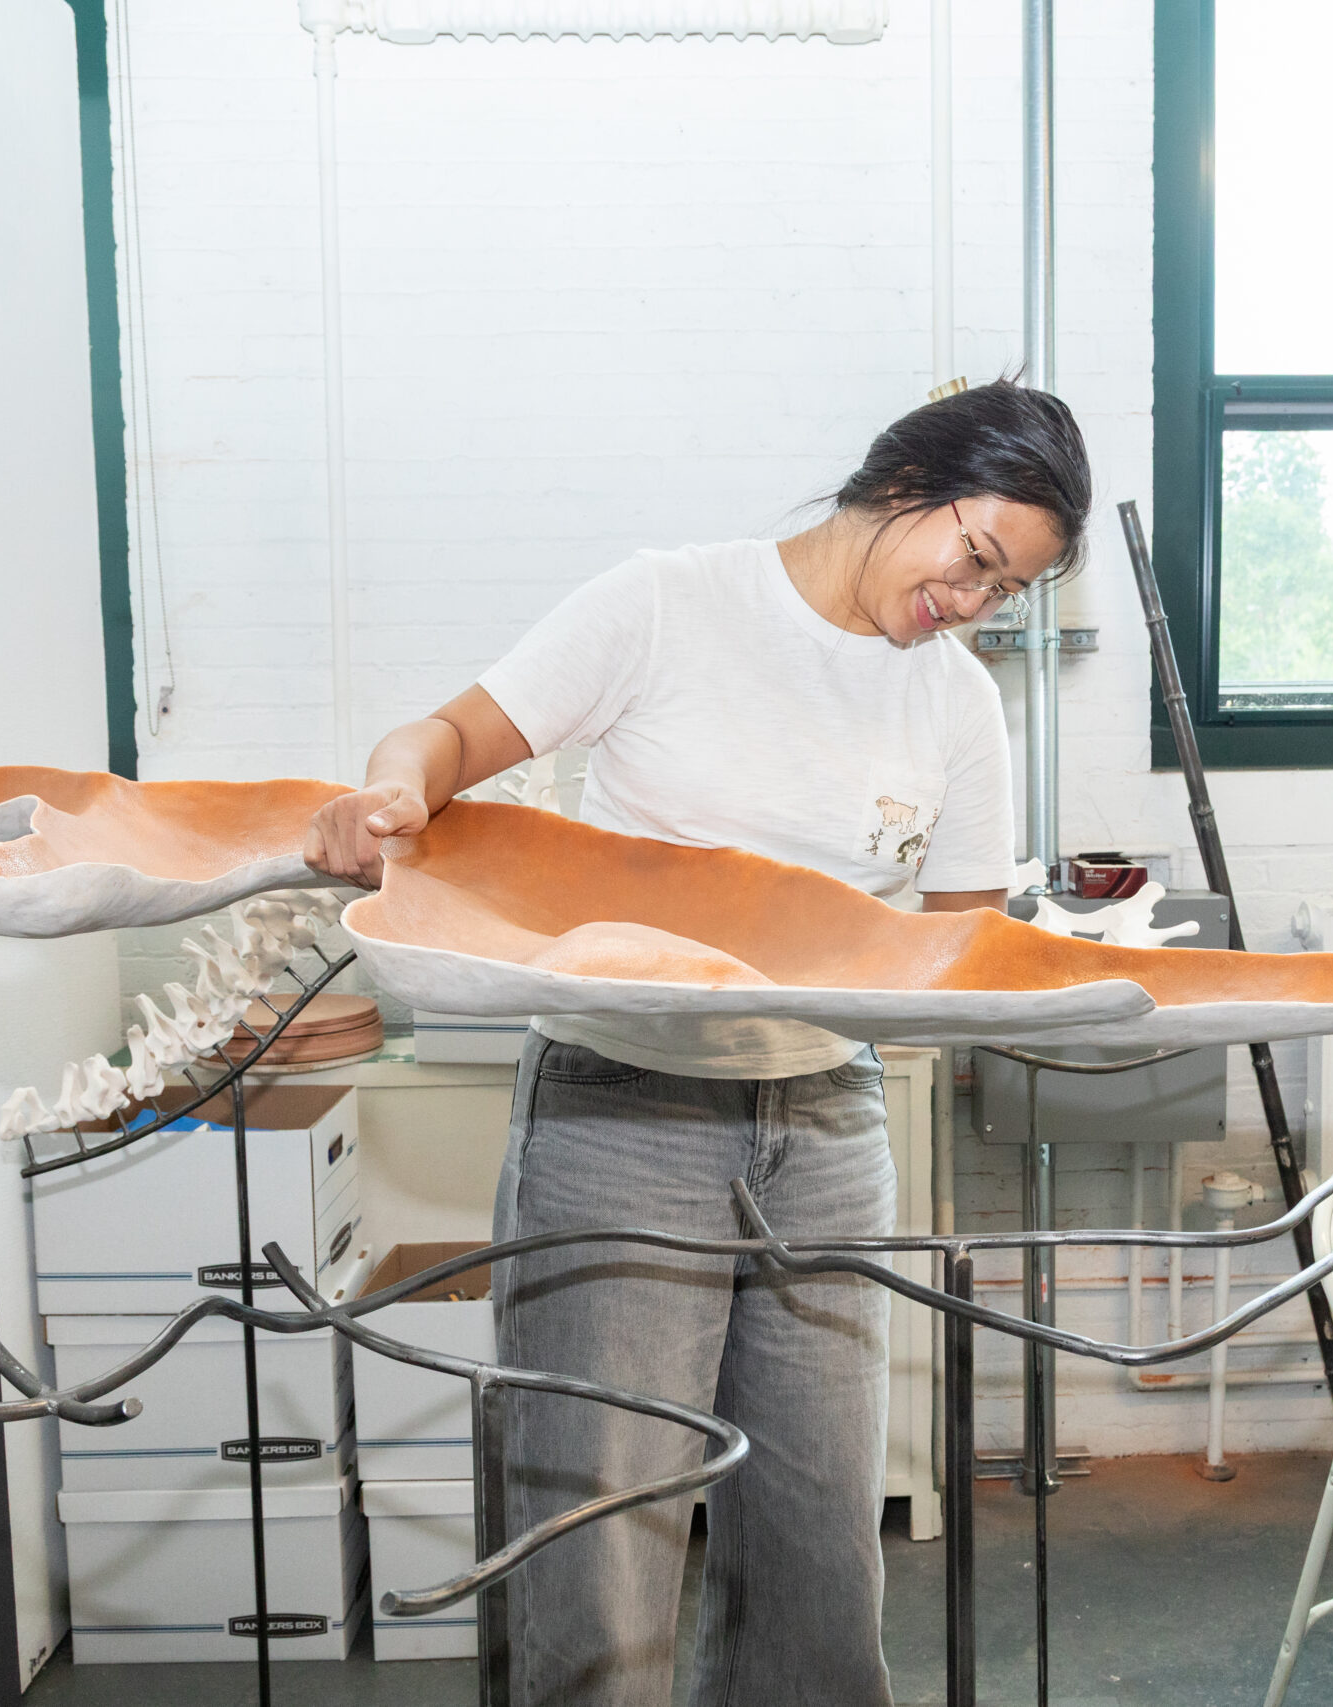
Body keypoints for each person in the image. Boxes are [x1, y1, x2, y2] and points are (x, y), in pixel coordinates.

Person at [305, 379, 1092, 1706]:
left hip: (830, 1119)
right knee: (601, 1526)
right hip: (622, 1110)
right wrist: (389, 792)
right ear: (906, 481)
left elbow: (955, 948)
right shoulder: (668, 604)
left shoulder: (956, 704)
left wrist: (1077, 978)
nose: (973, 604)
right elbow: (445, 740)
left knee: (819, 1534)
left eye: (1004, 590)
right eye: (975, 561)